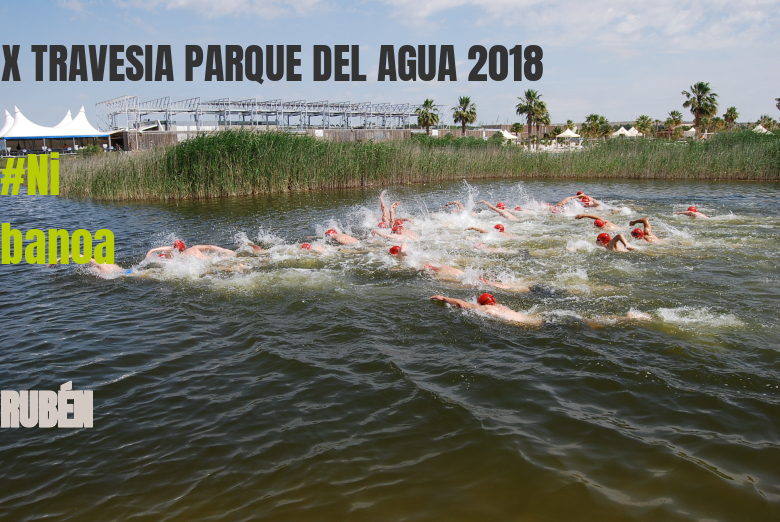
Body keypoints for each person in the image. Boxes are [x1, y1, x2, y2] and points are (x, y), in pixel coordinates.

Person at [430, 293, 543, 326]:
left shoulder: (485, 308)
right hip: (536, 321)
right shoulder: (501, 306)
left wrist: (444, 298)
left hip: (525, 327)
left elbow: (461, 304)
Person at [145, 240, 237, 259]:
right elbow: (210, 247)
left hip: (207, 264)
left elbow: (169, 248)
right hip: (214, 259)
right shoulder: (194, 248)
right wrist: (226, 250)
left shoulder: (178, 256)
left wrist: (152, 251)